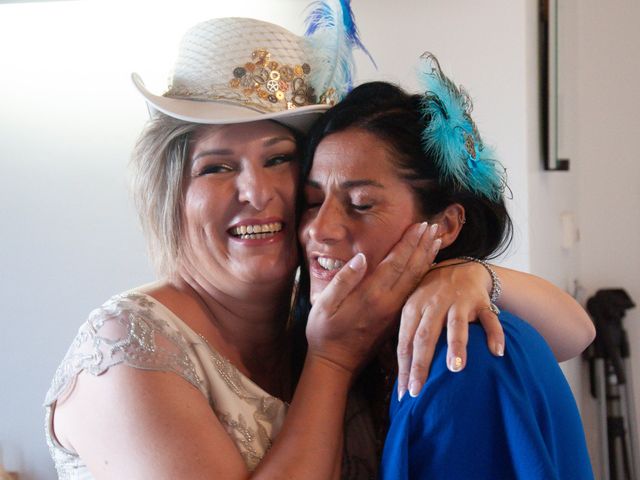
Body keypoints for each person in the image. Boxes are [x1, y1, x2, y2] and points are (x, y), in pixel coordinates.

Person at [43, 6, 593, 480]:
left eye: (278, 159)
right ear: (172, 192)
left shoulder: (336, 323)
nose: (257, 193)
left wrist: (470, 273)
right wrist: (331, 361)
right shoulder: (127, 348)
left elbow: (576, 333)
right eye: (216, 167)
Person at [298, 53, 594, 479]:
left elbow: (580, 332)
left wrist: (477, 273)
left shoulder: (463, 356)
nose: (318, 229)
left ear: (445, 224)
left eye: (361, 204)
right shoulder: (364, 345)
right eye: (311, 202)